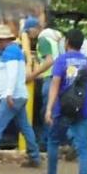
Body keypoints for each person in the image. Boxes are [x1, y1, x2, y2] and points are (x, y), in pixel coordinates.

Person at [0, 25, 41, 171]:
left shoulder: (9, 53)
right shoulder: (15, 51)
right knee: (25, 128)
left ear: (2, 40)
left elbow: (11, 75)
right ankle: (35, 156)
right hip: (20, 95)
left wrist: (8, 93)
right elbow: (5, 72)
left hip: (12, 97)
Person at [41, 28, 87, 174]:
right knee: (82, 147)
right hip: (83, 109)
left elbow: (55, 85)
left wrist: (49, 108)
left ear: (67, 42)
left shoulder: (61, 60)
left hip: (63, 109)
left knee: (54, 141)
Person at [27, 18, 64, 149]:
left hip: (50, 78)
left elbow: (49, 61)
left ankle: (46, 143)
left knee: (47, 111)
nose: (28, 35)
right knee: (56, 111)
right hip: (60, 77)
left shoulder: (42, 40)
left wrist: (32, 75)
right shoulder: (54, 38)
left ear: (34, 29)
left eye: (28, 31)